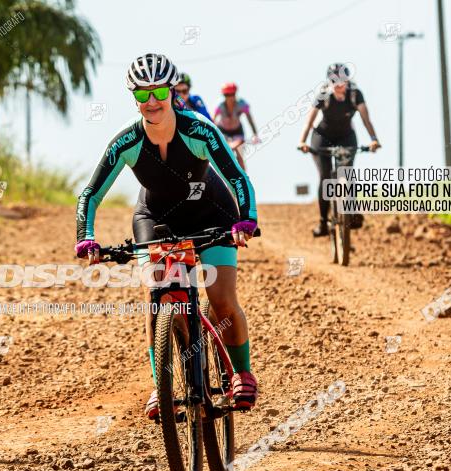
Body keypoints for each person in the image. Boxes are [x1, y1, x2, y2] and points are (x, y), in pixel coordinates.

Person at [74, 53, 260, 419]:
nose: (152, 101)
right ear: (134, 98)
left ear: (172, 91)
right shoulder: (126, 140)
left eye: (158, 91)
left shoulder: (199, 129)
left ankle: (241, 371)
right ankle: (162, 383)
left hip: (212, 212)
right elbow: (90, 194)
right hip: (156, 218)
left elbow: (237, 177)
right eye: (142, 95)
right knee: (158, 297)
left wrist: (246, 220)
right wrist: (86, 235)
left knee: (221, 299)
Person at [298, 63, 381, 237]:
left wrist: (374, 139)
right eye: (335, 80)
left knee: (347, 173)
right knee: (325, 176)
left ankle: (351, 210)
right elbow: (309, 120)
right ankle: (322, 222)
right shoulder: (324, 94)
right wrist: (302, 141)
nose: (339, 84)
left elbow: (366, 120)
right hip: (322, 137)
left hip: (346, 136)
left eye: (342, 80)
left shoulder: (355, 94)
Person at [212, 82, 259, 171]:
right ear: (224, 95)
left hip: (237, 131)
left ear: (235, 94)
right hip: (223, 131)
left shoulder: (242, 104)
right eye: (227, 95)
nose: (230, 97)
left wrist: (255, 134)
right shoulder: (219, 105)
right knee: (225, 154)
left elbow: (250, 119)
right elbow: (213, 120)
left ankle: (244, 178)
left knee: (239, 154)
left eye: (232, 94)